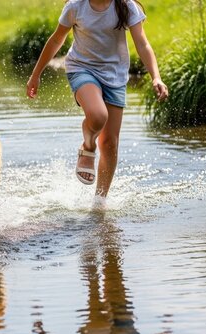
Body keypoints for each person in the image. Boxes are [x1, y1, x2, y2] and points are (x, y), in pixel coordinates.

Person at [26, 0, 168, 198]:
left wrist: (156, 77)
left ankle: (100, 202)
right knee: (98, 115)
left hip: (115, 76)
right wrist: (36, 74)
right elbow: (56, 39)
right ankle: (88, 146)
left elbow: (142, 43)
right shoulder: (76, 7)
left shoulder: (126, 7)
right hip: (82, 69)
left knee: (110, 143)